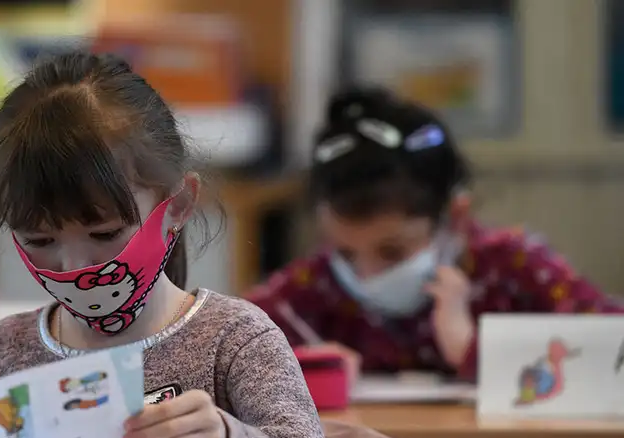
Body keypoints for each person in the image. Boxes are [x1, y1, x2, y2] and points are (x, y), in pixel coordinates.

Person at [0, 51, 349, 438]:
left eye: (105, 234)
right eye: (39, 239)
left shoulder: (234, 340)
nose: (73, 264)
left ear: (178, 205)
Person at [246, 86, 624, 381]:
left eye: (392, 252)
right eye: (345, 253)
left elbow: (613, 347)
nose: (365, 275)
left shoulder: (513, 268)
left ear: (455, 217)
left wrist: (472, 350)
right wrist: (299, 365)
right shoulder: (314, 288)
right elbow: (220, 344)